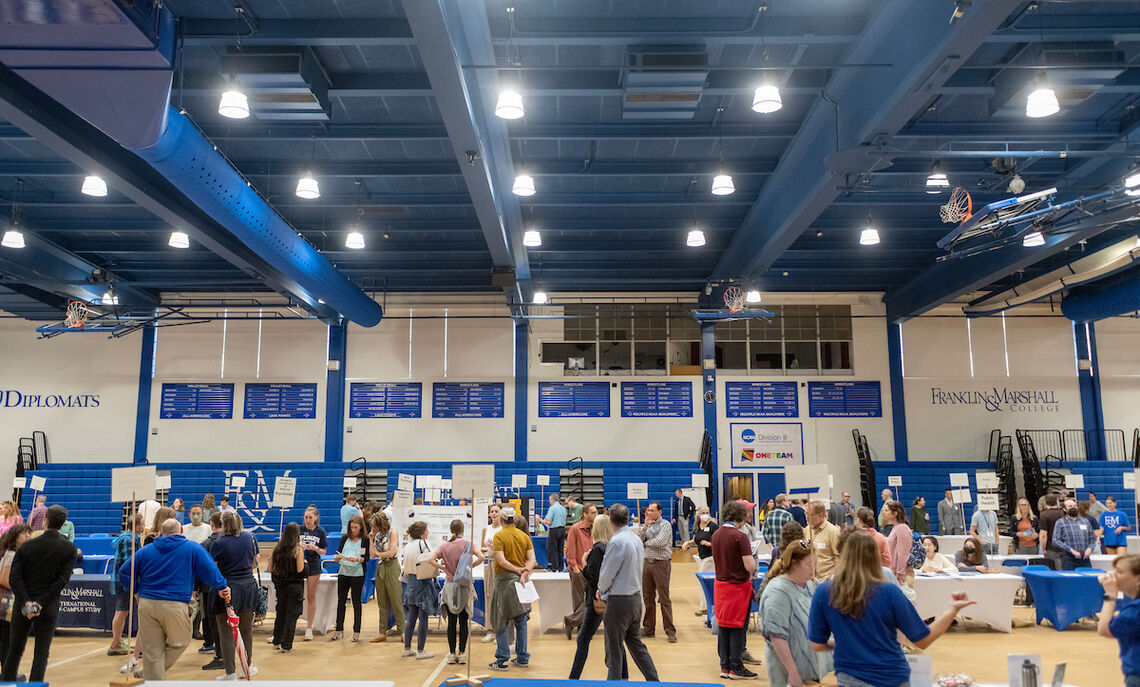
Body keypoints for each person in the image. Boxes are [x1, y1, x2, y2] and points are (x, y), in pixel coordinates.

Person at [809, 530, 974, 687]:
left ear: (841, 555)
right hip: (892, 676)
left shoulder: (824, 592)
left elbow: (817, 644)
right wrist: (952, 610)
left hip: (850, 678)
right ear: (874, 557)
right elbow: (923, 640)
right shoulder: (889, 592)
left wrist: (845, 644)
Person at [117, 518, 229, 682]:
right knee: (181, 641)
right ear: (181, 531)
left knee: (152, 649)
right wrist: (222, 586)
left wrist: (135, 590)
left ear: (161, 533)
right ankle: (150, 672)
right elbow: (210, 570)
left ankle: (150, 673)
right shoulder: (192, 548)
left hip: (147, 604)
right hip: (175, 603)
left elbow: (124, 571)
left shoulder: (147, 550)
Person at [0, 505, 72, 683]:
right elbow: (62, 581)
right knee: (41, 652)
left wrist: (26, 601)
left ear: (45, 521)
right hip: (47, 607)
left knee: (15, 649)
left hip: (22, 606)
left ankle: (7, 684)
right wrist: (41, 603)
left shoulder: (26, 547)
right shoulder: (69, 548)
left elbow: (15, 579)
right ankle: (35, 685)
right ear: (62, 524)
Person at [596, 503, 658, 681]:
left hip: (618, 602)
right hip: (634, 599)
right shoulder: (635, 539)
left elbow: (608, 572)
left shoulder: (616, 542)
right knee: (636, 645)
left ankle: (614, 683)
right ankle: (654, 680)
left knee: (614, 651)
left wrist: (601, 590)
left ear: (610, 520)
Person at [759, 538, 833, 687]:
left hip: (813, 671)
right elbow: (776, 636)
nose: (814, 569)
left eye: (815, 564)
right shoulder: (777, 591)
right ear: (793, 563)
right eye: (809, 565)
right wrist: (792, 672)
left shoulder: (812, 584)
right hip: (789, 674)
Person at [209, 511, 260, 680]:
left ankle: (230, 672)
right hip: (248, 587)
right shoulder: (250, 537)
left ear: (223, 524)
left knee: (226, 631)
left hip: (227, 588)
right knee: (247, 630)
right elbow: (254, 563)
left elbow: (213, 569)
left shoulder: (218, 543)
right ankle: (248, 667)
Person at [712, 500, 758, 680]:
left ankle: (725, 666)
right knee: (738, 628)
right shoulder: (740, 537)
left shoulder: (716, 534)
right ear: (742, 516)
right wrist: (754, 564)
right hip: (737, 588)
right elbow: (749, 566)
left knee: (723, 627)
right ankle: (736, 668)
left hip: (721, 586)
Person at [488, 506, 535, 670]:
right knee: (521, 620)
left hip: (504, 582)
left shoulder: (499, 536)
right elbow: (531, 559)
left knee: (500, 619)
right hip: (521, 581)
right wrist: (523, 573)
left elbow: (501, 560)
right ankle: (522, 657)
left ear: (501, 519)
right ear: (513, 520)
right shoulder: (524, 536)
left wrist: (516, 570)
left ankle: (502, 659)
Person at [568, 512, 615, 679]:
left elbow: (592, 576)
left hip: (596, 599)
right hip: (610, 598)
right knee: (614, 639)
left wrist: (585, 561)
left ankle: (573, 678)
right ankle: (621, 675)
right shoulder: (610, 546)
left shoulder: (597, 549)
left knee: (583, 639)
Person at [437, 519, 484, 664]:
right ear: (463, 529)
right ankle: (462, 653)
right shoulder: (468, 545)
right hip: (463, 585)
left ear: (451, 530)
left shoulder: (444, 546)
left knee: (451, 622)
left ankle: (451, 654)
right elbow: (481, 557)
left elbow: (431, 559)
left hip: (450, 585)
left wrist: (444, 569)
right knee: (464, 621)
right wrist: (470, 566)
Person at [402, 521, 443, 660]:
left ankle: (407, 648)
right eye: (426, 530)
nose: (428, 532)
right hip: (423, 582)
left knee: (411, 617)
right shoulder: (423, 544)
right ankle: (420, 651)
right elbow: (431, 560)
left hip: (411, 583)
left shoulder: (408, 545)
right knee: (423, 617)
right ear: (421, 532)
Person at [1097, 554, 1140, 685]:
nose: (1114, 575)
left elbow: (1105, 630)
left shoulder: (1135, 610)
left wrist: (1110, 595)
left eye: (1120, 572)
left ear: (1138, 579)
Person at [639, 501, 676, 642]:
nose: (649, 513)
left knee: (664, 598)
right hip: (647, 563)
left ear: (659, 512)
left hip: (661, 564)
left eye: (652, 510)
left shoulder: (665, 525)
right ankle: (648, 628)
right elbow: (639, 539)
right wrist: (645, 527)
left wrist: (645, 543)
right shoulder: (648, 525)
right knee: (648, 597)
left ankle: (670, 630)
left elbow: (660, 542)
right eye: (648, 510)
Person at [108, 514, 143, 656]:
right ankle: (115, 644)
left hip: (122, 579)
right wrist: (133, 585)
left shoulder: (126, 537)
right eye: (142, 524)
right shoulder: (130, 539)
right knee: (121, 611)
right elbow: (131, 564)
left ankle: (118, 640)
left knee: (122, 611)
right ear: (136, 526)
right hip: (125, 580)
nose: (144, 526)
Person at [331, 514, 369, 642]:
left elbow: (366, 558)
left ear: (360, 528)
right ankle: (338, 628)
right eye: (352, 527)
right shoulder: (344, 538)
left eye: (356, 528)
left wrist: (358, 559)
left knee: (356, 602)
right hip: (343, 572)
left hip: (357, 573)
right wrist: (337, 558)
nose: (353, 530)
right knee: (341, 601)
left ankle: (356, 631)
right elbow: (339, 553)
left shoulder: (364, 540)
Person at [268, 522, 304, 653]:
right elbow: (300, 570)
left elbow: (269, 569)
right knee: (291, 615)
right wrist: (305, 562)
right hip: (294, 587)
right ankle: (287, 644)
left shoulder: (276, 549)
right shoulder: (298, 550)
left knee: (281, 614)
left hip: (281, 587)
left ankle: (276, 640)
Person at [0, 524, 30, 679]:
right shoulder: (12, 555)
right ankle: (8, 674)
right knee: (7, 640)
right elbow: (4, 579)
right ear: (14, 537)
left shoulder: (13, 553)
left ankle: (6, 672)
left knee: (5, 640)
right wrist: (22, 590)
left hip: (7, 603)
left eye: (28, 533)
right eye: (24, 534)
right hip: (6, 603)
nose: (28, 536)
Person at [368, 512, 404, 642]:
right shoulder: (376, 535)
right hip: (380, 567)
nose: (372, 528)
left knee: (396, 601)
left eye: (373, 525)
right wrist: (371, 540)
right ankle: (382, 632)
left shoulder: (392, 533)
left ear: (380, 524)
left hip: (392, 567)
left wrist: (378, 553)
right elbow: (372, 555)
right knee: (381, 602)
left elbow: (391, 552)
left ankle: (403, 631)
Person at [564, 502, 598, 638]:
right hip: (578, 568)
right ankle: (581, 628)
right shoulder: (575, 529)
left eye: (596, 512)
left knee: (591, 600)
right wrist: (576, 569)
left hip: (592, 570)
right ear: (585, 514)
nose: (595, 515)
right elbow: (570, 550)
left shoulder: (596, 529)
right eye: (593, 512)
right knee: (578, 601)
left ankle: (571, 621)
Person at [198, 511, 225, 669]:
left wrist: (195, 587)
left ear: (212, 525)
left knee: (212, 620)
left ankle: (219, 654)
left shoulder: (206, 544)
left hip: (210, 588)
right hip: (228, 586)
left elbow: (201, 569)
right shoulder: (233, 540)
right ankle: (223, 652)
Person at [299, 506, 327, 640]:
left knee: (311, 596)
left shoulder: (320, 532)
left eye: (310, 517)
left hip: (314, 565)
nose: (307, 520)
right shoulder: (299, 529)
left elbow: (323, 552)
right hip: (299, 564)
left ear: (316, 518)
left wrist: (315, 548)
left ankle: (309, 627)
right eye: (305, 517)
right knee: (295, 595)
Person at [682, 506, 717, 614]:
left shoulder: (713, 526)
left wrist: (709, 544)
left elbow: (719, 541)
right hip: (701, 557)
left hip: (710, 558)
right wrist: (687, 543)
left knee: (703, 582)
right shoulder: (697, 526)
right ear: (699, 514)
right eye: (703, 513)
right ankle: (708, 606)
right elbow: (695, 540)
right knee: (704, 582)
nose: (705, 514)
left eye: (707, 512)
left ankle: (704, 607)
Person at [479, 503, 505, 644]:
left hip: (500, 564)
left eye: (496, 511)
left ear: (500, 514)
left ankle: (500, 629)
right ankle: (490, 629)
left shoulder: (503, 529)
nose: (494, 513)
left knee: (499, 596)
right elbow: (481, 547)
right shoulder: (486, 529)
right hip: (488, 563)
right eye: (492, 511)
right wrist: (483, 548)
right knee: (489, 595)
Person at [1054, 499, 1097, 571]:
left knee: (1087, 580)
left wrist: (1090, 548)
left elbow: (1092, 538)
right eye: (1070, 506)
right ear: (1064, 509)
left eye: (1074, 506)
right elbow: (1056, 540)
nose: (1073, 507)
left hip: (1085, 558)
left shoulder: (1085, 521)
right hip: (1069, 559)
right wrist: (1071, 550)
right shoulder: (1060, 522)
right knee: (1070, 581)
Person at [807, 501, 840, 581]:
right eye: (806, 514)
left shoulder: (833, 532)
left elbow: (840, 558)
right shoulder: (807, 530)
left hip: (826, 582)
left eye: (810, 515)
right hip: (810, 582)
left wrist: (831, 577)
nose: (807, 517)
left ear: (820, 515)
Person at [884, 501, 913, 583]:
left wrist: (900, 573)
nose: (884, 513)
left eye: (886, 510)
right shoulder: (895, 528)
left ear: (895, 513)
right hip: (893, 572)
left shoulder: (902, 528)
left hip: (899, 576)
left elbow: (903, 552)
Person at [1038, 493, 1066, 569]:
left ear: (1045, 502)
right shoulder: (1063, 513)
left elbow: (1043, 535)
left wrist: (1043, 549)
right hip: (1064, 547)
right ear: (1057, 502)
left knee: (1054, 571)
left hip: (1051, 548)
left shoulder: (1044, 515)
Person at [542, 493, 567, 572]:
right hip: (562, 529)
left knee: (553, 549)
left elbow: (549, 522)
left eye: (550, 500)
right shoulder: (563, 508)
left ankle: (554, 567)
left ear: (552, 500)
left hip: (554, 530)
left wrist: (543, 521)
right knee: (560, 549)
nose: (549, 502)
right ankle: (560, 567)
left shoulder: (552, 508)